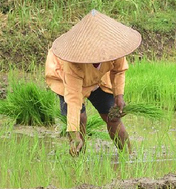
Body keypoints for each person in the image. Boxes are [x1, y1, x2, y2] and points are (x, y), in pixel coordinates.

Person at [44, 9, 142, 156]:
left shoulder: (113, 49)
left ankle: (129, 156)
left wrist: (118, 96)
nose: (100, 54)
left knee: (113, 117)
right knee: (80, 118)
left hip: (98, 79)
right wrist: (74, 133)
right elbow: (73, 99)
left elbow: (119, 70)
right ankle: (78, 157)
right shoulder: (73, 61)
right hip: (65, 78)